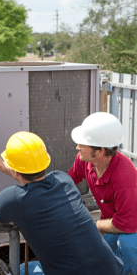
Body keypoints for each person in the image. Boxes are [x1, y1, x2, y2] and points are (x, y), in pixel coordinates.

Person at [0, 131, 125, 275]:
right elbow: (36, 186)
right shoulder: (63, 179)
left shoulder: (15, 198)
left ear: (16, 171)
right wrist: (4, 167)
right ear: (45, 163)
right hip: (110, 269)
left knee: (20, 270)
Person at [68, 112, 137, 275]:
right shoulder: (85, 159)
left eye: (82, 144)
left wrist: (89, 225)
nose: (77, 147)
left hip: (132, 225)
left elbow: (124, 225)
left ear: (100, 151)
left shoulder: (125, 178)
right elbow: (68, 181)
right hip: (113, 220)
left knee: (127, 245)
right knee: (95, 256)